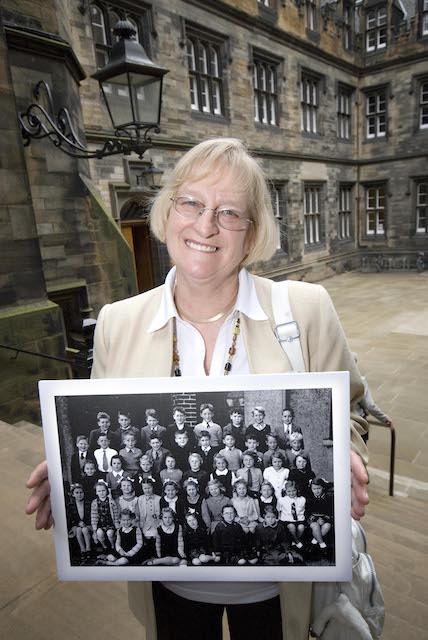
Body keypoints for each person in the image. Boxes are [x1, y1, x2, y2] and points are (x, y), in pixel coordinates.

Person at [26, 138, 369, 640]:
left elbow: (353, 414)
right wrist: (66, 469)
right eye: (191, 203)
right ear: (167, 213)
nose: (206, 225)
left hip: (280, 590)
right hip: (171, 584)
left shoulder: (306, 309)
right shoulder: (118, 323)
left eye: (230, 212)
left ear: (251, 234)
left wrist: (350, 454)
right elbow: (105, 432)